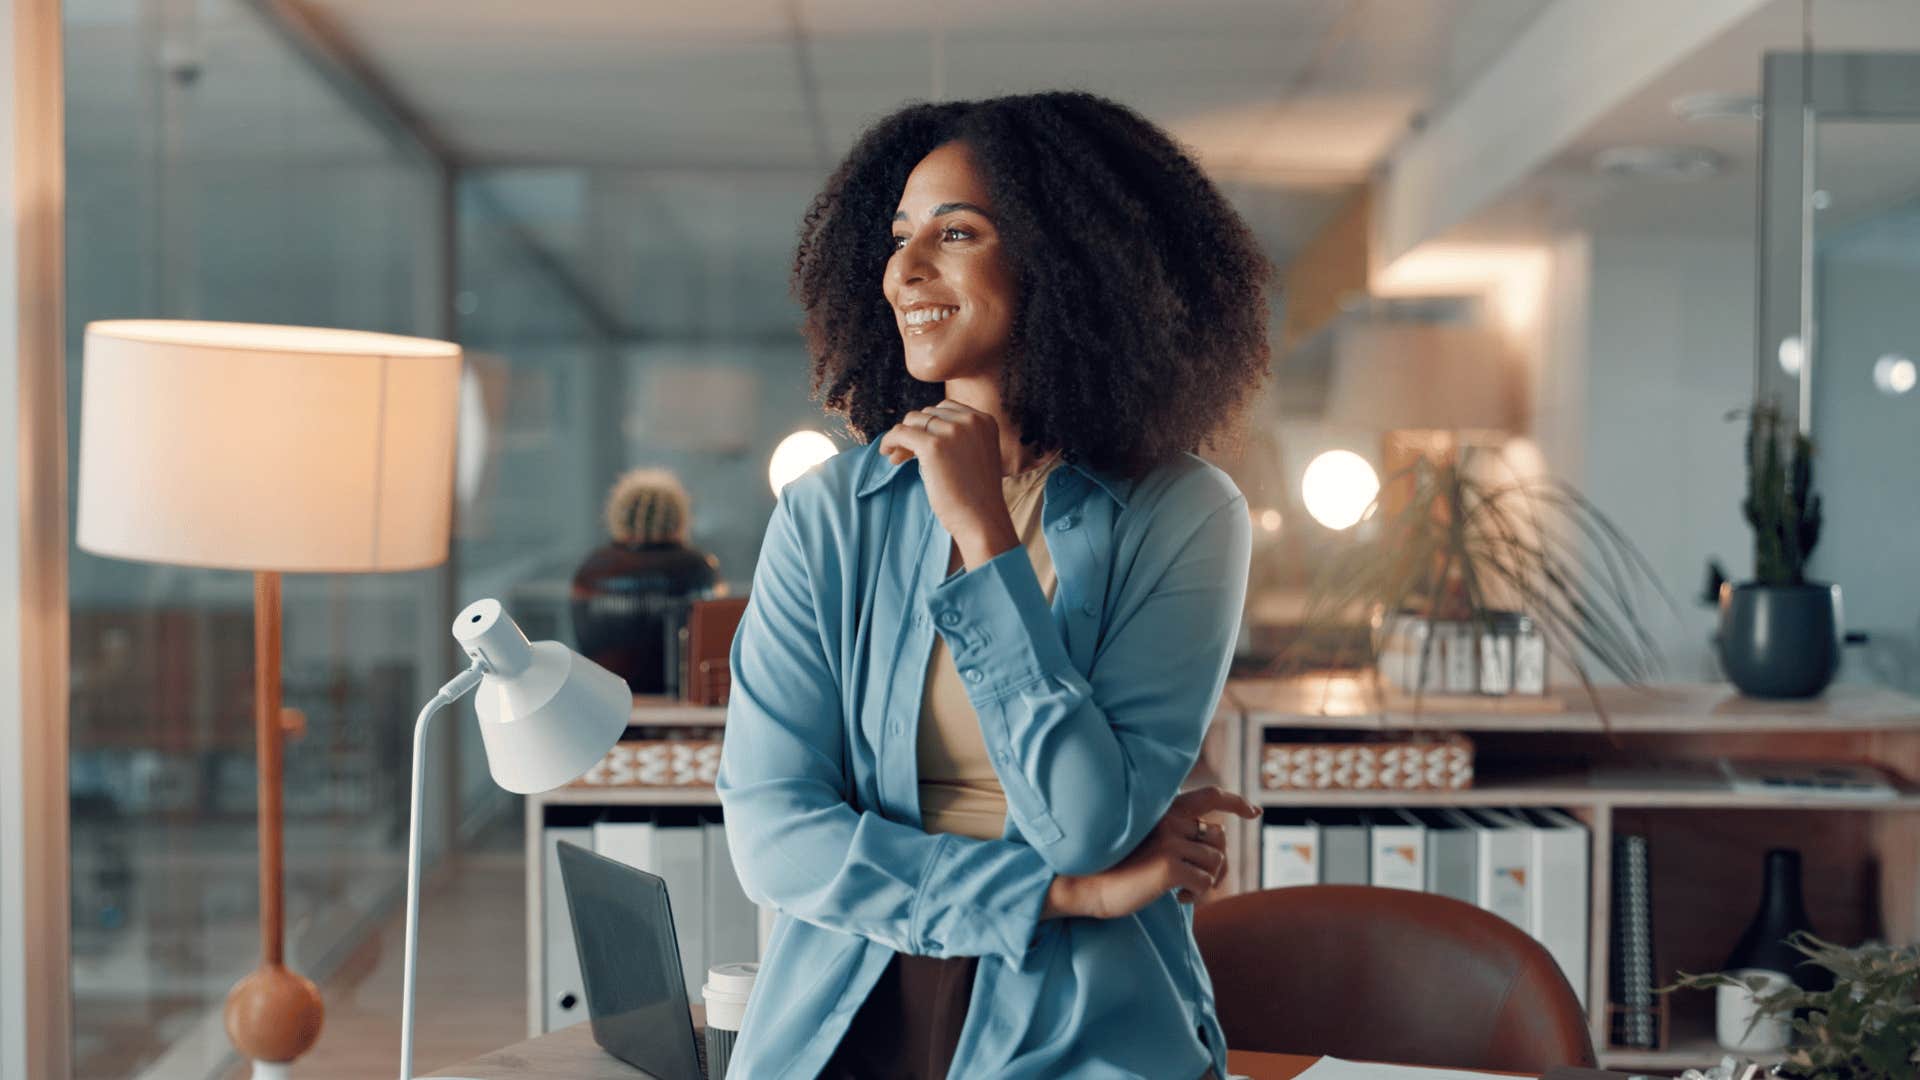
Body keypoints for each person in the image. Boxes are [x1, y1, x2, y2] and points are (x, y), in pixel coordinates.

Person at [716, 90, 1272, 1079]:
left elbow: (1083, 822)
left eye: (956, 231)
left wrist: (984, 537)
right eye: (897, 237)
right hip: (837, 1017)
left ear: (1068, 258)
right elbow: (772, 837)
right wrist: (1060, 895)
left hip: (1078, 1026)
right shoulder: (828, 513)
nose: (907, 271)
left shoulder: (1186, 514)